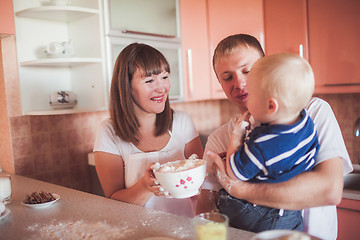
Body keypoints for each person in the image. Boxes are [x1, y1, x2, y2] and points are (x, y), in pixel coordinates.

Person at [198, 34, 352, 240]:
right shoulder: (218, 139)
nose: (239, 83)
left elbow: (329, 190)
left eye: (247, 71)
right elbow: (207, 207)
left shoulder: (312, 113)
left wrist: (241, 190)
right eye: (227, 77)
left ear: (265, 68)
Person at [93, 43, 203, 217]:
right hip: (137, 230)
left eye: (164, 77)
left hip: (186, 226)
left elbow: (201, 182)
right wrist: (145, 186)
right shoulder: (108, 131)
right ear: (127, 86)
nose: (161, 88)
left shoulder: (182, 121)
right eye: (149, 80)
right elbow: (113, 200)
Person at [220, 53, 319, 232]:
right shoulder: (305, 121)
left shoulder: (262, 143)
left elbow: (234, 173)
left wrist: (237, 134)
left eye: (251, 95)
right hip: (293, 214)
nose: (245, 95)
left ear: (271, 106)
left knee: (224, 201)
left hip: (265, 215)